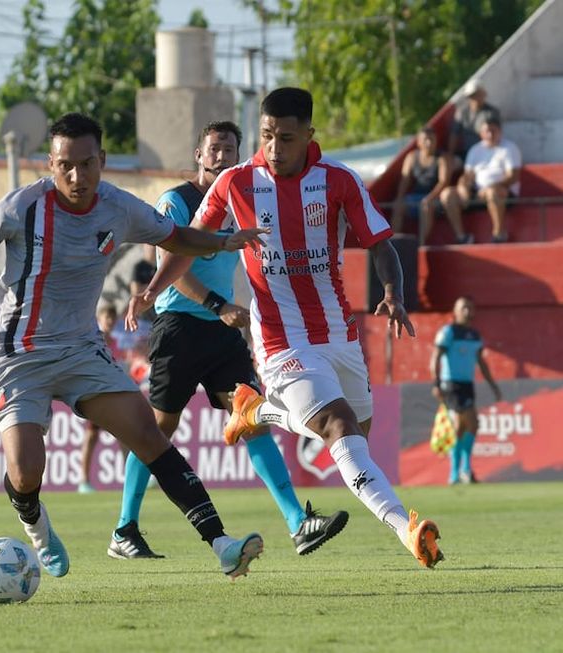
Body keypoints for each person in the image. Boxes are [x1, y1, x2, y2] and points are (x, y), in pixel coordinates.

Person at [0, 112, 270, 581]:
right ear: (50, 164)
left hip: (81, 350)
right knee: (26, 472)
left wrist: (224, 240)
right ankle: (37, 527)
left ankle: (222, 545)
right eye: (65, 166)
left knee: (148, 435)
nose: (76, 176)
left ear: (102, 160)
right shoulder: (22, 206)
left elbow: (176, 238)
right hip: (19, 355)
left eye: (86, 164)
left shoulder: (119, 207)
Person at [134, 88, 444, 569]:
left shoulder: (339, 180)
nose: (274, 148)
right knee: (337, 426)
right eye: (266, 136)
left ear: (309, 135)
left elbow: (380, 242)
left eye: (286, 138)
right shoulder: (236, 182)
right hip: (281, 339)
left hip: (339, 335)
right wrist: (153, 288)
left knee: (355, 438)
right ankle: (406, 530)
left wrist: (393, 292)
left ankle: (258, 411)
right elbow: (188, 241)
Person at [115, 120, 348, 560]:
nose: (221, 156)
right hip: (179, 328)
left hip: (221, 332)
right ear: (198, 156)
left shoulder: (240, 200)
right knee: (156, 431)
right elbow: (172, 269)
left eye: (229, 150)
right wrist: (219, 304)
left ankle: (298, 522)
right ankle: (124, 528)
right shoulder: (177, 201)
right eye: (214, 149)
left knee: (251, 418)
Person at [431, 296, 501, 484]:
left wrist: (493, 385)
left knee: (466, 427)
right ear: (455, 311)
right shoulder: (448, 332)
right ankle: (462, 470)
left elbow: (481, 363)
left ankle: (458, 472)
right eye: (463, 308)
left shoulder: (475, 335)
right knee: (467, 423)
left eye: (469, 307)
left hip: (467, 385)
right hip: (450, 384)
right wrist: (436, 383)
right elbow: (435, 358)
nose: (467, 311)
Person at [439, 116, 521, 244]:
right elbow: (467, 175)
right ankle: (462, 237)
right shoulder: (475, 150)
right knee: (447, 194)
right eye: (486, 131)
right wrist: (463, 187)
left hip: (502, 192)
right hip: (477, 192)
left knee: (492, 193)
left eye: (493, 131)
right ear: (481, 133)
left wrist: (490, 188)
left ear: (499, 131)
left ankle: (499, 234)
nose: (490, 134)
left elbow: (513, 176)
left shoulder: (509, 148)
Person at [78, 303, 125, 494]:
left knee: (125, 434)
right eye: (107, 318)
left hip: (111, 391)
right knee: (91, 436)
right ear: (99, 319)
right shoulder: (94, 339)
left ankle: (132, 475)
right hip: (95, 391)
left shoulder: (115, 342)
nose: (110, 322)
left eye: (113, 318)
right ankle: (83, 480)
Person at [390, 127, 453, 243]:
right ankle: (394, 243)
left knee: (426, 206)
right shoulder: (411, 157)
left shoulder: (442, 158)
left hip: (436, 200)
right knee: (398, 205)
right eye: (425, 139)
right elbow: (405, 180)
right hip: (415, 197)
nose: (429, 143)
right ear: (419, 142)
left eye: (431, 139)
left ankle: (421, 243)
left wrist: (429, 198)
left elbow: (444, 182)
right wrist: (399, 197)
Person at [447, 79, 501, 171]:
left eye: (477, 94)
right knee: (448, 165)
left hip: (486, 153)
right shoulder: (462, 112)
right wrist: (450, 154)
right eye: (472, 96)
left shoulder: (491, 113)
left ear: (484, 94)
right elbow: (454, 134)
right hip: (466, 153)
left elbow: (496, 135)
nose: (474, 98)